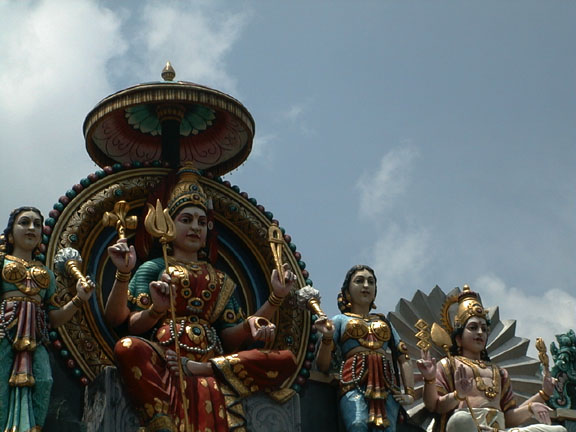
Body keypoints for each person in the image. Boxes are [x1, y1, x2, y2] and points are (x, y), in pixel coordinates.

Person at [104, 165, 298, 432]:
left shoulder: (222, 280)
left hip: (209, 361)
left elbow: (230, 336)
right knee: (127, 347)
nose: (196, 227)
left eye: (202, 222)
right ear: (169, 224)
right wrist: (154, 308)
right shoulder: (154, 268)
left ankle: (200, 369)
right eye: (186, 220)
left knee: (286, 359)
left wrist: (275, 299)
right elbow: (124, 322)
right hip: (165, 354)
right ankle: (160, 422)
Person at [416, 285, 566, 432]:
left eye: (484, 329)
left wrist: (538, 399)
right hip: (468, 426)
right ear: (459, 339)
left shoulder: (499, 372)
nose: (480, 332)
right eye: (473, 328)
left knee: (558, 430)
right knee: (460, 419)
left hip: (497, 429)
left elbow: (508, 418)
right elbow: (434, 406)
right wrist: (451, 391)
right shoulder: (449, 364)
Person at [0, 206, 93, 431]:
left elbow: (55, 318)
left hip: (36, 337)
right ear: (11, 233)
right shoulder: (2, 263)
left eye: (37, 224)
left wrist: (79, 299)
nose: (31, 228)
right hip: (5, 332)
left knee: (43, 382)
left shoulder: (47, 274)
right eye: (24, 222)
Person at [315, 264, 415, 432]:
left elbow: (403, 357)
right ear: (347, 292)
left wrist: (410, 393)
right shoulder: (340, 320)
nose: (366, 286)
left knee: (387, 429)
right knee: (357, 424)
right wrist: (326, 337)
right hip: (352, 381)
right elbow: (323, 365)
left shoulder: (385, 323)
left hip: (387, 385)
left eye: (371, 282)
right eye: (359, 281)